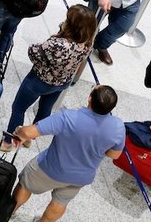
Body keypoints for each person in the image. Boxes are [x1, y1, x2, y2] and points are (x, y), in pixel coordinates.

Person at [0, 4, 96, 152]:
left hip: (39, 81)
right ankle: (29, 137)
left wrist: (56, 36)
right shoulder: (88, 43)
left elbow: (34, 53)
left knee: (18, 108)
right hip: (62, 82)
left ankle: (8, 141)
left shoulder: (57, 44)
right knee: (45, 108)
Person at [11, 86, 125, 221]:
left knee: (25, 184)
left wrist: (19, 132)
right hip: (80, 178)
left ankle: (8, 212)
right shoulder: (118, 126)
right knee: (60, 202)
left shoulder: (67, 117)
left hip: (49, 168)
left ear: (89, 98)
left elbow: (29, 132)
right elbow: (114, 155)